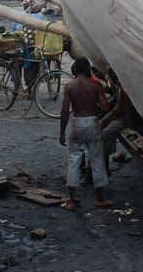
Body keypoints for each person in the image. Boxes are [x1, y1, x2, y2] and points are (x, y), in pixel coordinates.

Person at [59, 57, 112, 211]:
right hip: (93, 122)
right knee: (97, 159)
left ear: (74, 70)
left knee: (74, 160)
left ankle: (71, 200)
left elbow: (64, 111)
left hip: (77, 122)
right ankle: (100, 198)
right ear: (88, 69)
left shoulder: (69, 87)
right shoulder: (95, 86)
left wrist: (62, 133)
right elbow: (107, 107)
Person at [99, 69, 126, 178]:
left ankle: (104, 169)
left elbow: (117, 109)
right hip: (118, 117)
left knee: (104, 135)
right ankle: (105, 168)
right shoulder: (116, 87)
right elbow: (112, 101)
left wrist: (103, 120)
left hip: (123, 119)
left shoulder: (120, 88)